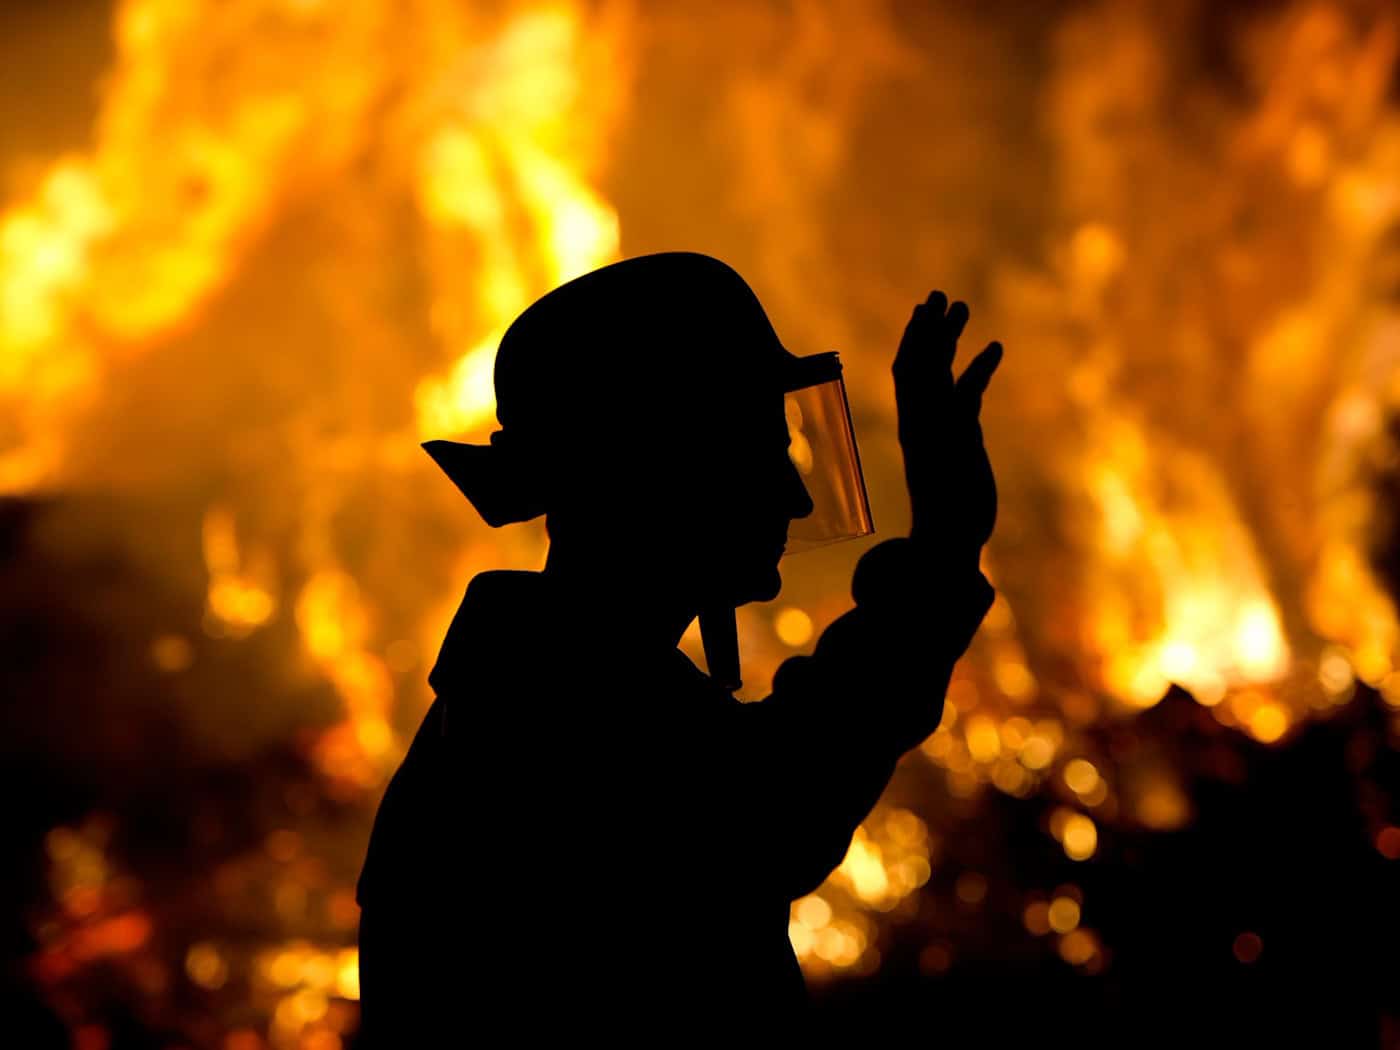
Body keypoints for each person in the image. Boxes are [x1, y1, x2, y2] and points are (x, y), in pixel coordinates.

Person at [354, 251, 1002, 1042]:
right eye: (765, 451)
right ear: (667, 465)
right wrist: (944, 543)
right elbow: (774, 805)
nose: (796, 496)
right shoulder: (557, 720)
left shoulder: (536, 688)